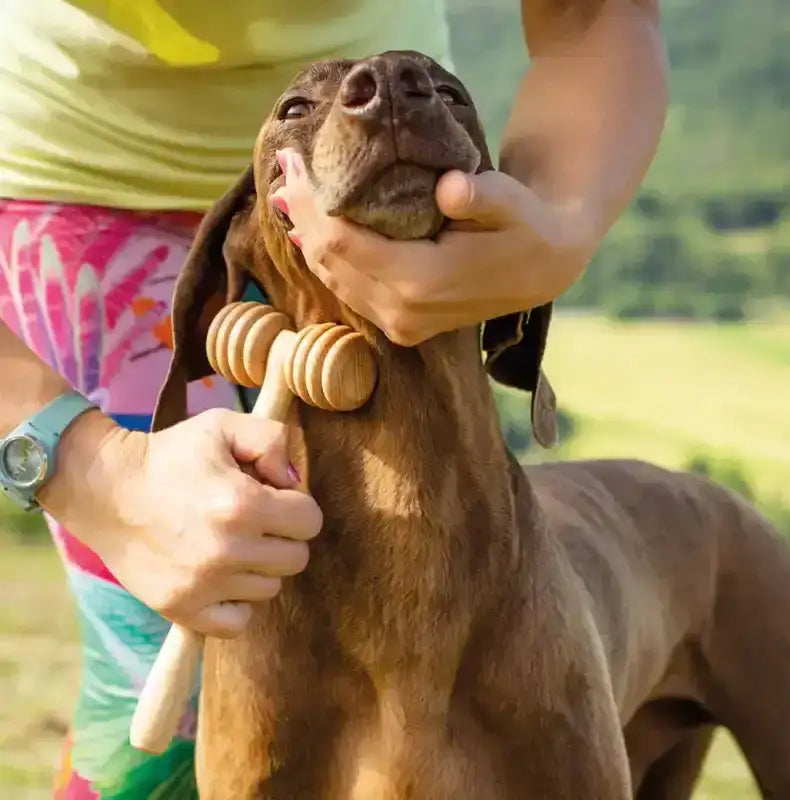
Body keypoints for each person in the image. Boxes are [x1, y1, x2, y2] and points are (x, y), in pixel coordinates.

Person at [0, 1, 667, 797]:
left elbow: (593, 16)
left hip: (417, 224)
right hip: (68, 182)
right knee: (164, 712)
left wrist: (560, 222)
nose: (380, 93)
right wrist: (91, 469)